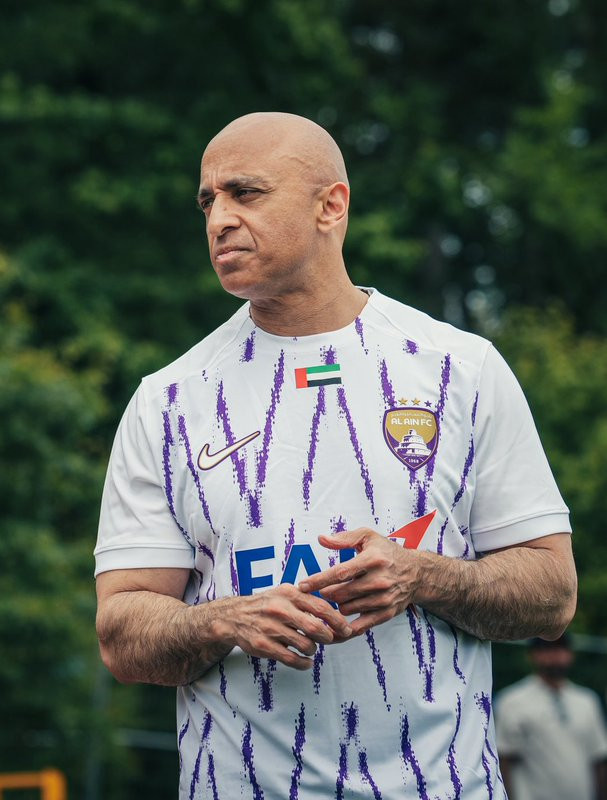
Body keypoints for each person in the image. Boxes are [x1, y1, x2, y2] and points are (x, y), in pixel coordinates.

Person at [94, 111, 578, 799]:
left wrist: (421, 576)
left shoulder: (460, 369)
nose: (219, 219)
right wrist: (223, 619)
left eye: (245, 192)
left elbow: (552, 593)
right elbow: (120, 632)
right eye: (208, 202)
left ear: (331, 206)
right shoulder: (168, 399)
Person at [495, 635, 607, 800]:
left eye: (561, 649)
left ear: (570, 654)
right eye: (547, 649)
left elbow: (598, 758)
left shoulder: (587, 701)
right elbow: (504, 759)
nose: (555, 656)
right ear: (532, 655)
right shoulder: (512, 701)